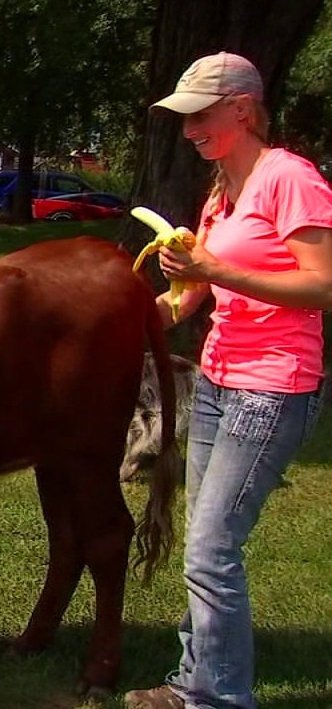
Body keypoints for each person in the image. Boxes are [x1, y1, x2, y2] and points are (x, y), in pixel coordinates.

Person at [124, 51, 332, 709]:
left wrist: (217, 268)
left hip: (273, 386)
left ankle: (217, 699)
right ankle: (198, 683)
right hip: (219, 379)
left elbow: (323, 285)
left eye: (200, 115)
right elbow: (196, 292)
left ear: (243, 109)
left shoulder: (289, 179)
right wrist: (150, 313)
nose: (188, 130)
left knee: (212, 548)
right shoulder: (221, 188)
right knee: (206, 544)